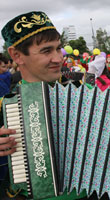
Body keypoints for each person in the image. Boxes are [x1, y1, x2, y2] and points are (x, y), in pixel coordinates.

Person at [0, 11, 91, 199]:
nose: (58, 58)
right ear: (17, 55)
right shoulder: (5, 105)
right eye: (46, 51)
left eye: (58, 49)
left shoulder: (84, 91)